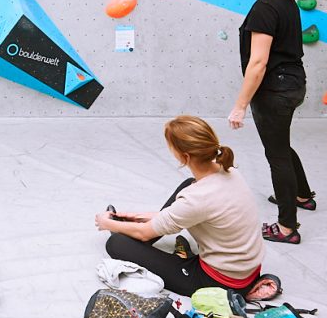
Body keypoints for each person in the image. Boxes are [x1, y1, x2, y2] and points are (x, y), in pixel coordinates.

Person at [96, 116, 268, 297]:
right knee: (188, 183)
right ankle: (137, 231)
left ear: (184, 156)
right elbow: (195, 210)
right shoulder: (230, 171)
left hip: (220, 282)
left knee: (116, 243)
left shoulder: (196, 198)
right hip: (247, 270)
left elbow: (187, 210)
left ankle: (132, 234)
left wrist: (106, 223)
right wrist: (140, 218)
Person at [229, 0, 312, 245]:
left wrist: (240, 105)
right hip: (292, 83)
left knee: (276, 154)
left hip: (275, 89)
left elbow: (259, 62)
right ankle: (302, 194)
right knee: (281, 145)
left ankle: (287, 227)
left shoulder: (266, 6)